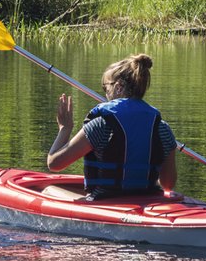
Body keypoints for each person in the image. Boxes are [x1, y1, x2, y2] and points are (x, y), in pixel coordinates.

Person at [47, 54, 177, 200]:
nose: (105, 94)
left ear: (118, 87)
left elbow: (54, 163)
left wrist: (65, 128)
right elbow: (168, 184)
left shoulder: (102, 125)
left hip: (105, 200)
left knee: (48, 189)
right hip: (148, 200)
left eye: (105, 88)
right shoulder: (162, 128)